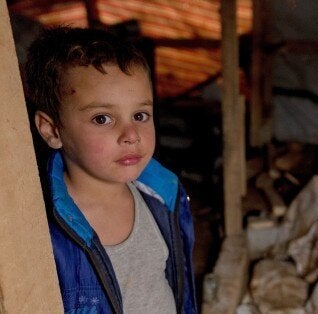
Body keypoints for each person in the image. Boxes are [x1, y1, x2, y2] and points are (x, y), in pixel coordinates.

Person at [25, 26, 196, 313]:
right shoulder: (43, 232)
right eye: (103, 118)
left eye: (140, 115)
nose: (131, 134)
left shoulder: (162, 197)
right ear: (52, 130)